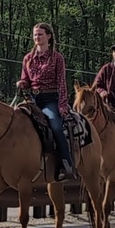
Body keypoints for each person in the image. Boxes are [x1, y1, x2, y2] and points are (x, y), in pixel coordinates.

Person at [18, 22, 74, 179]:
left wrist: (62, 106)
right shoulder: (28, 58)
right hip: (32, 98)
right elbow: (25, 80)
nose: (37, 37)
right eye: (35, 34)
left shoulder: (57, 58)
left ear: (48, 36)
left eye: (40, 34)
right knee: (13, 120)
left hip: (51, 98)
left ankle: (66, 163)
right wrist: (22, 83)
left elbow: (62, 84)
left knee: (55, 126)